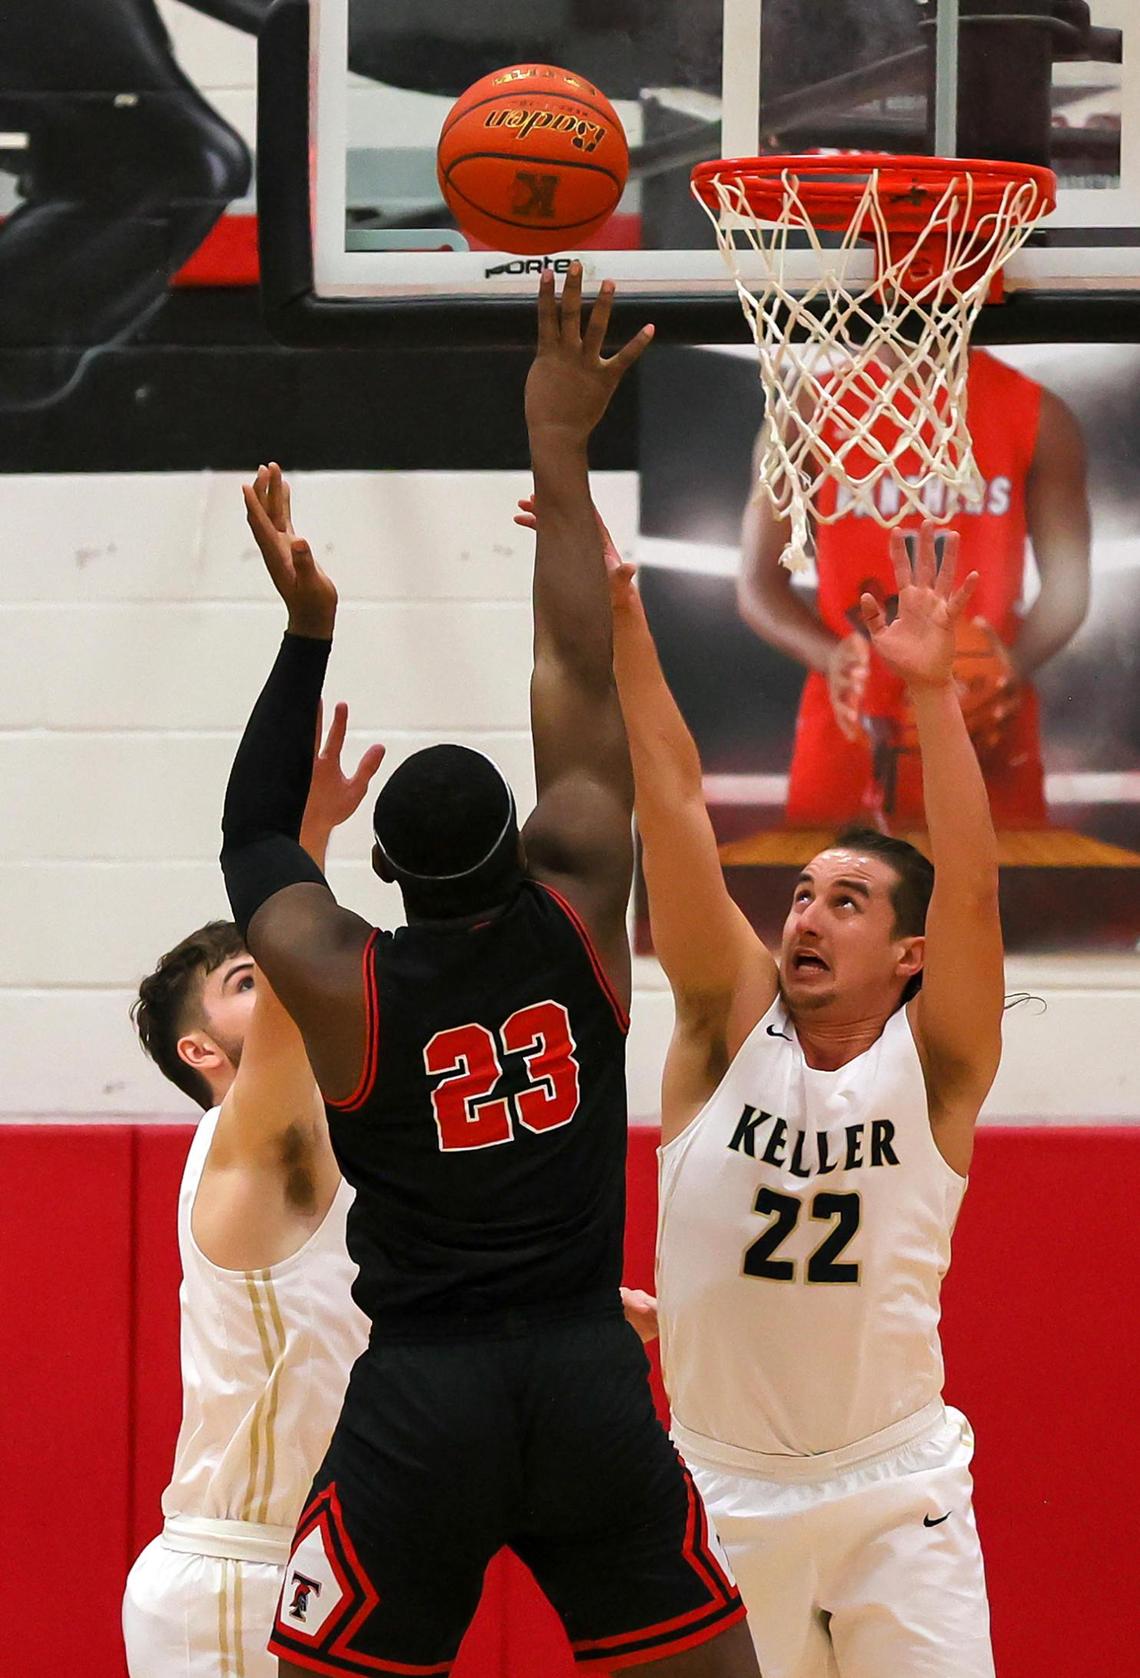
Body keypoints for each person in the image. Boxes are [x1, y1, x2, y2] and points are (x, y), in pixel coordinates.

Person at [219, 268, 757, 1677]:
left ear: (383, 879)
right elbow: (577, 671)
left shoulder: (349, 983)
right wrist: (561, 449)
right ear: (525, 852)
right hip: (588, 1376)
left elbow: (257, 835)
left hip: (426, 1400)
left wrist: (307, 631)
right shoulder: (581, 912)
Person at [608, 521, 1003, 1677]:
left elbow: (974, 893)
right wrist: (628, 624)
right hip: (723, 1488)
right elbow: (674, 804)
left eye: (847, 902)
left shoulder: (936, 1070)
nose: (805, 915)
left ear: (908, 955)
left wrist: (930, 693)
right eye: (800, 893)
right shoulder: (723, 1027)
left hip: (897, 1487)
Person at [122, 704, 384, 1677]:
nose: (273, 981)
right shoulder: (242, 1139)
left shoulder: (333, 1151)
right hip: (232, 1579)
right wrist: (306, 846)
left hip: (305, 1564)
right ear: (202, 1051)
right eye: (244, 978)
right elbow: (298, 975)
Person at [738, 349, 1090, 827]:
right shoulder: (807, 406)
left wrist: (1010, 666)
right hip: (853, 722)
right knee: (832, 897)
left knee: (994, 901)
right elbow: (757, 585)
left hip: (982, 718)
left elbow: (1069, 586)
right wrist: (831, 657)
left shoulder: (1037, 411)